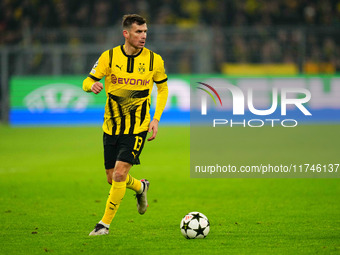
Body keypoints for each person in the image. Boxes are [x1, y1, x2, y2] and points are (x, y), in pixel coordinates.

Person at [83, 14, 168, 236]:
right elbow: (88, 80)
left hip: (137, 127)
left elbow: (163, 88)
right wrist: (90, 86)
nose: (143, 36)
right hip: (111, 127)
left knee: (120, 174)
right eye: (139, 32)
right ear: (126, 34)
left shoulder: (154, 60)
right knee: (112, 179)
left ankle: (103, 225)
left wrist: (156, 118)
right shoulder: (109, 57)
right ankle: (141, 187)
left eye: (145, 31)